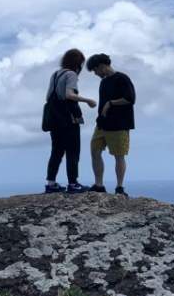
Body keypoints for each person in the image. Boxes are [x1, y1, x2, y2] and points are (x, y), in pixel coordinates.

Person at [44, 48, 96, 194]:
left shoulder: (55, 74)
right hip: (69, 119)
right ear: (77, 63)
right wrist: (88, 100)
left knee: (56, 151)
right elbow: (69, 94)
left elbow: (48, 97)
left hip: (54, 120)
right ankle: (73, 183)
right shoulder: (71, 74)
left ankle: (51, 183)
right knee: (73, 151)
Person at [86, 53, 136, 196]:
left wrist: (111, 103)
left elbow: (130, 99)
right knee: (95, 151)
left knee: (119, 155)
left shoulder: (122, 78)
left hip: (119, 124)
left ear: (101, 66)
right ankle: (99, 185)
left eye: (95, 70)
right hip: (102, 124)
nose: (96, 74)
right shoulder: (104, 82)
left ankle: (119, 187)